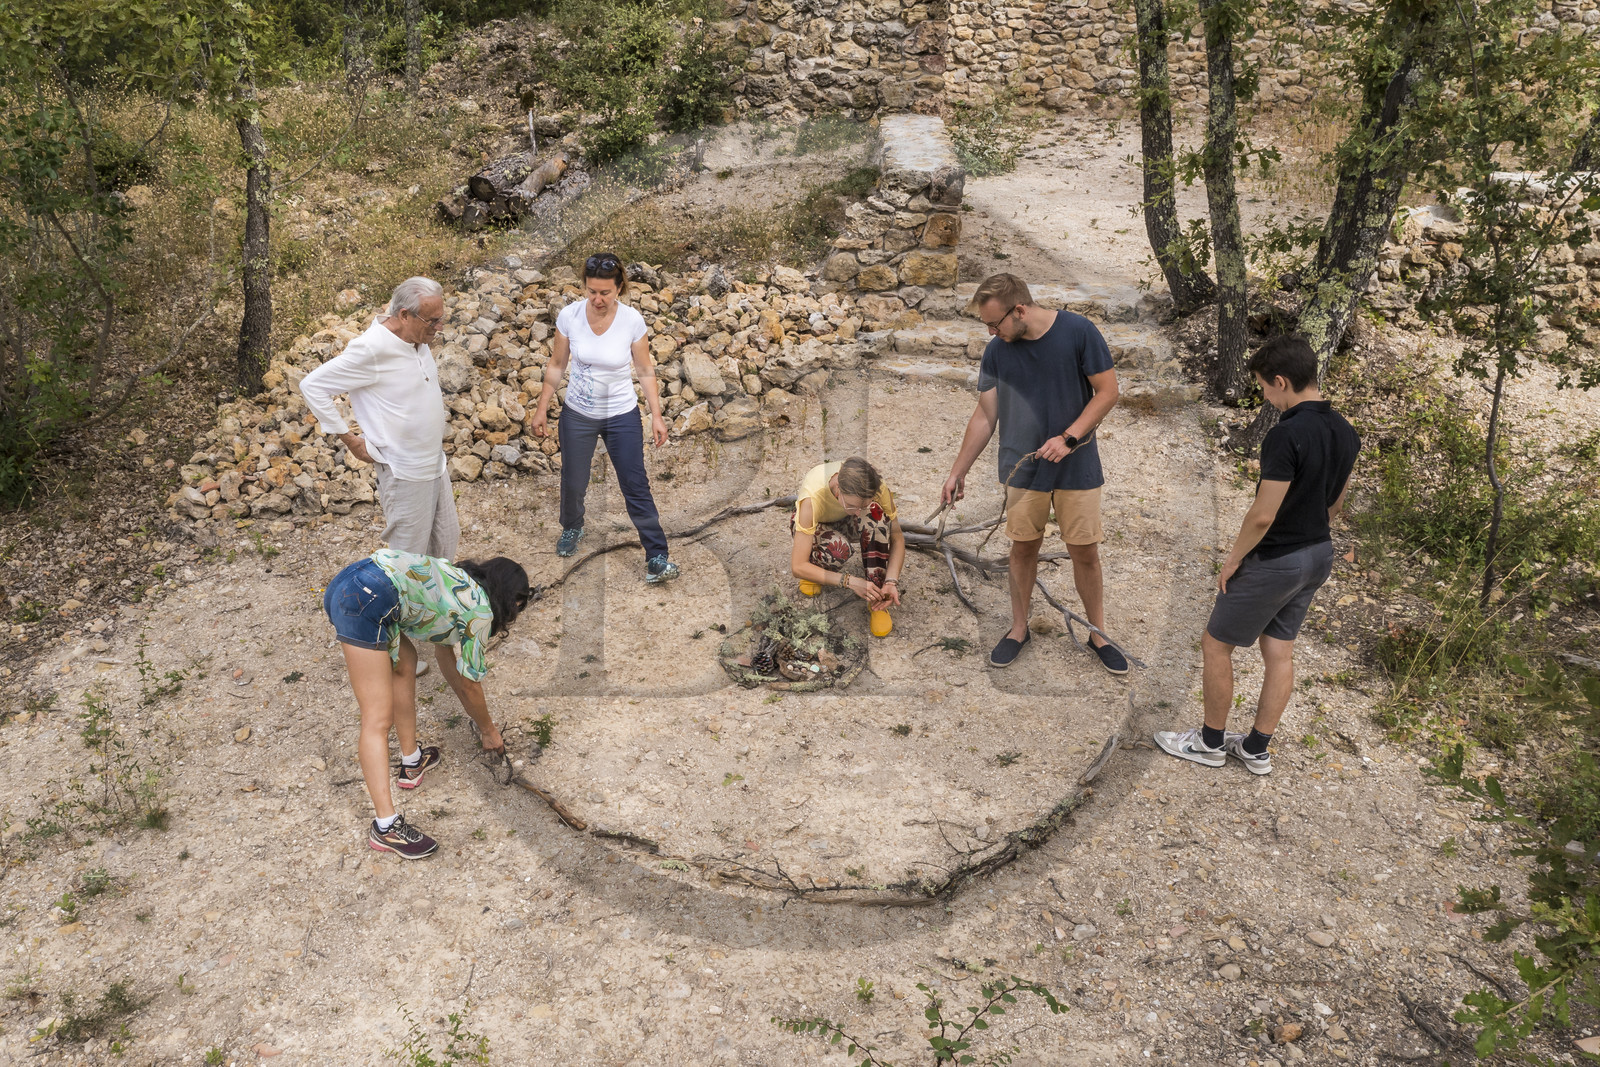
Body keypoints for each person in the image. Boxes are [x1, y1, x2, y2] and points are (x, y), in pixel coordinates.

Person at [1155, 336, 1360, 776]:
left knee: (1216, 645)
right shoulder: (1346, 431)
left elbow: (1263, 515)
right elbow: (1335, 506)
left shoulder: (1286, 433)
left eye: (1265, 387)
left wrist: (1234, 560)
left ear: (1281, 381)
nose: (1265, 396)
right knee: (1279, 651)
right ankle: (1255, 748)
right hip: (1319, 554)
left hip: (1277, 559)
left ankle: (1210, 743)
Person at [940, 273, 1127, 674]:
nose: (991, 333)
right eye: (987, 325)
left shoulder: (1079, 332)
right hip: (1021, 468)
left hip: (1077, 465)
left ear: (1020, 310)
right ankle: (1018, 629)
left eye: (995, 323)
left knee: (1085, 552)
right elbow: (985, 416)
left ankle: (1098, 633)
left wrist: (1070, 438)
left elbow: (1108, 391)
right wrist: (957, 472)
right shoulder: (997, 351)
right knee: (1023, 549)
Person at [322, 550, 532, 858]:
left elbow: (446, 658)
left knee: (405, 661)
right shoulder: (480, 613)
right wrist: (488, 730)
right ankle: (386, 828)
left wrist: (476, 712)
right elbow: (470, 684)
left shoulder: (457, 584)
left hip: (353, 579)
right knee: (377, 720)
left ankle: (412, 761)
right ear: (513, 601)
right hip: (369, 599)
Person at [300, 277, 454, 676]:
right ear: (404, 314)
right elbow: (313, 385)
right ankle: (392, 652)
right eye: (432, 321)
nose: (439, 328)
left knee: (443, 549)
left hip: (435, 465)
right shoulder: (370, 349)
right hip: (404, 473)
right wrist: (351, 440)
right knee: (403, 566)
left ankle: (437, 627)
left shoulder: (418, 339)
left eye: (442, 318)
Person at [531, 252, 678, 584]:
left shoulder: (631, 321)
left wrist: (656, 415)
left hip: (621, 414)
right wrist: (542, 407)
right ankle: (573, 526)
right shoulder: (569, 316)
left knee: (635, 484)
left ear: (619, 288)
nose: (597, 299)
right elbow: (557, 365)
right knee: (573, 480)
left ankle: (656, 556)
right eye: (591, 291)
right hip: (578, 414)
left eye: (605, 293)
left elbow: (645, 369)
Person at [790, 457, 906, 637]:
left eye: (863, 506)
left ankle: (877, 597)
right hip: (817, 525)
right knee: (837, 548)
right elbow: (797, 566)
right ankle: (816, 568)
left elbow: (897, 538)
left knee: (876, 516)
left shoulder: (876, 487)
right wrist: (849, 581)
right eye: (853, 505)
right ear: (838, 488)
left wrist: (891, 581)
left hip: (844, 520)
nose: (859, 513)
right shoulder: (812, 498)